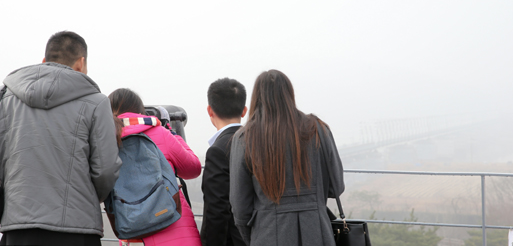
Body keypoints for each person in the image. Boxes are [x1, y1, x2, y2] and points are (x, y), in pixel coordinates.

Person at [0, 31, 122, 246]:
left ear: (44, 61)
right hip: (79, 231)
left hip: (17, 229)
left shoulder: (0, 97)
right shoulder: (96, 102)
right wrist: (84, 199)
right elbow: (106, 169)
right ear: (81, 63)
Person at [229, 70, 345, 246]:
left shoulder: (245, 138)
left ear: (257, 97)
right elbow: (336, 187)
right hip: (318, 233)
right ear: (290, 93)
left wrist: (255, 237)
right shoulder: (318, 129)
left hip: (267, 234)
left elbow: (240, 208)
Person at [108, 88, 202, 246]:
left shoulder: (105, 142)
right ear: (140, 111)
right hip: (177, 230)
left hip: (134, 234)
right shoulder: (160, 133)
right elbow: (193, 169)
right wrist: (172, 134)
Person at [200, 78, 248, 246]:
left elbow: (216, 212)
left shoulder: (218, 151)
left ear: (210, 110)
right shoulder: (258, 143)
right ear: (244, 111)